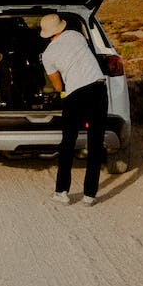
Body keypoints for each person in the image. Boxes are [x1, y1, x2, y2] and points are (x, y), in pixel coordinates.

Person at [39, 13, 107, 206]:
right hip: (98, 86)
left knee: (68, 142)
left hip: (76, 93)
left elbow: (59, 86)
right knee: (95, 141)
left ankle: (62, 192)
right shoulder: (76, 35)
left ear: (46, 33)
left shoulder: (48, 54)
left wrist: (62, 91)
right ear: (61, 26)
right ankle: (90, 195)